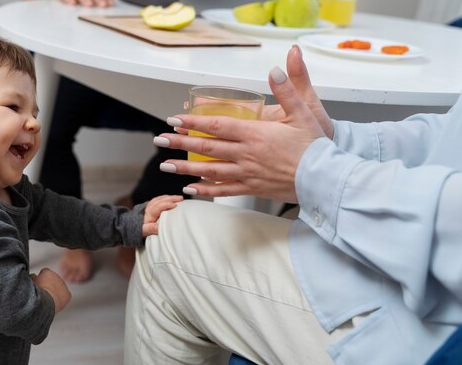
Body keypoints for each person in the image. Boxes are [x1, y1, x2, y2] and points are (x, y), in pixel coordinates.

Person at [124, 45, 462, 365]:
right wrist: (333, 140)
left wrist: (317, 172)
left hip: (432, 325)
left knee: (169, 239)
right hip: (417, 274)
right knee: (284, 219)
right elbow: (449, 137)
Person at [0, 36, 182, 365]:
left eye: (34, 111)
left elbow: (64, 215)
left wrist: (127, 223)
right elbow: (17, 315)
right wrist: (49, 295)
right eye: (14, 107)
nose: (34, 122)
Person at [20, 0, 194, 283]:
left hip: (175, 59)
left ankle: (136, 219)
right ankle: (74, 230)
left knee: (201, 135)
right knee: (40, 126)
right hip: (80, 53)